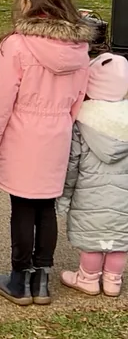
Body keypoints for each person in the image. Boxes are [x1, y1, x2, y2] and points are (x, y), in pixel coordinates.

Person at [0, 0, 92, 307]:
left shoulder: (17, 46)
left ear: (27, 1)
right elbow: (78, 98)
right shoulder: (78, 47)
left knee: (22, 207)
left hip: (23, 135)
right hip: (56, 134)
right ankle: (42, 280)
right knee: (46, 208)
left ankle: (19, 278)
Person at [58, 53, 128, 297]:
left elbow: (73, 162)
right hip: (124, 198)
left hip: (89, 195)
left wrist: (64, 196)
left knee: (92, 240)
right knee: (119, 241)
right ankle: (113, 281)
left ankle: (87, 279)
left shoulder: (83, 120)